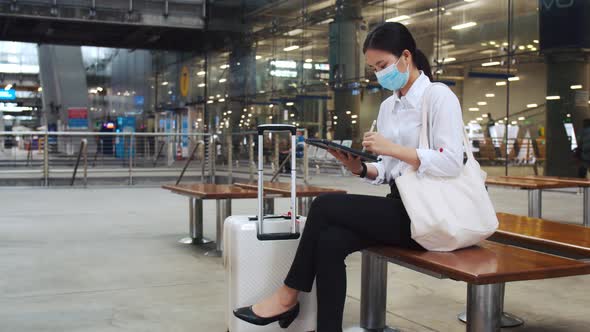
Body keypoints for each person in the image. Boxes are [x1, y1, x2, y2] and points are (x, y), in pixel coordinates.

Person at [233, 22, 465, 331]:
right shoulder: (388, 107)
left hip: (431, 214)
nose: (379, 74)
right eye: (373, 68)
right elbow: (386, 171)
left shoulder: (438, 97)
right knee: (329, 241)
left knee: (325, 205)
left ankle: (287, 295)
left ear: (406, 57)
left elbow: (452, 162)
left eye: (383, 65)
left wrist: (394, 148)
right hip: (400, 204)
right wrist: (359, 167)